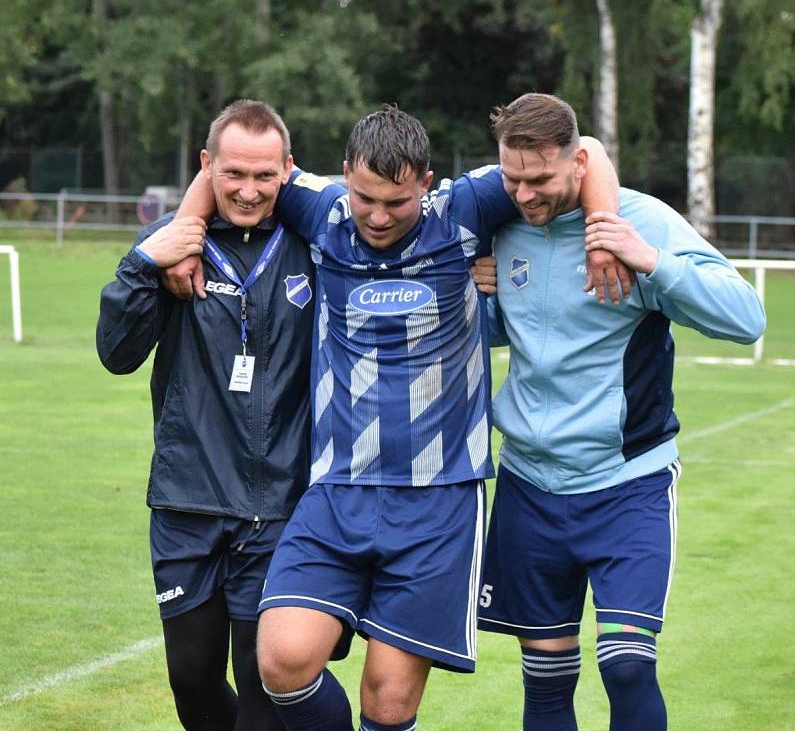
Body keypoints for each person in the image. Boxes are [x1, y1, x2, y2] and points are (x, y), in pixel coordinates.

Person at [171, 103, 623, 731]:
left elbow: (589, 150)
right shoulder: (321, 210)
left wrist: (602, 229)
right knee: (282, 663)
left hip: (438, 502)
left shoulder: (462, 211)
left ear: (427, 184)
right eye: (365, 198)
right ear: (345, 176)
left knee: (387, 702)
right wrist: (185, 235)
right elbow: (225, 167)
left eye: (397, 201)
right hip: (336, 491)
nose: (379, 216)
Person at [476, 93, 767, 731]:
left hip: (626, 482)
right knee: (545, 678)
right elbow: (517, 330)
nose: (524, 194)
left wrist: (652, 262)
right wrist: (478, 296)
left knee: (628, 664)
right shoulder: (499, 221)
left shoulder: (642, 220)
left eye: (540, 178)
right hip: (529, 484)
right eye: (512, 177)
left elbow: (747, 319)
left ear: (580, 163)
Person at [96, 100, 315, 731]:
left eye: (265, 176)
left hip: (279, 506)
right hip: (187, 500)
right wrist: (143, 267)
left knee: (260, 684)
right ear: (206, 166)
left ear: (288, 171)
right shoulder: (168, 244)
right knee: (191, 678)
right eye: (233, 174)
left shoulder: (312, 244)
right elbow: (116, 355)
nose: (249, 191)